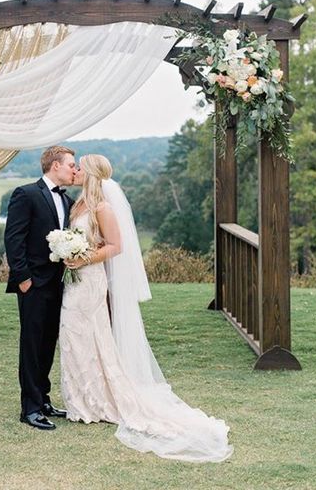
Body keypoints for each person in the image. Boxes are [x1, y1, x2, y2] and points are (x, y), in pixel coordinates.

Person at [59, 154, 233, 462]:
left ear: (91, 174)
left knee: (90, 335)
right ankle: (82, 400)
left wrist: (85, 258)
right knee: (74, 338)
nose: (75, 171)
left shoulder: (102, 207)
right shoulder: (78, 205)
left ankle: (97, 402)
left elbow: (115, 246)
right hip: (74, 281)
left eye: (80, 167)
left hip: (90, 280)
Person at [5, 145, 76, 430]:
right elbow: (14, 238)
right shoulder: (26, 194)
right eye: (71, 164)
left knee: (48, 344)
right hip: (33, 285)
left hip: (59, 283)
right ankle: (30, 409)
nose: (74, 169)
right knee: (32, 346)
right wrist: (23, 278)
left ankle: (44, 400)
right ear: (54, 166)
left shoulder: (68, 200)